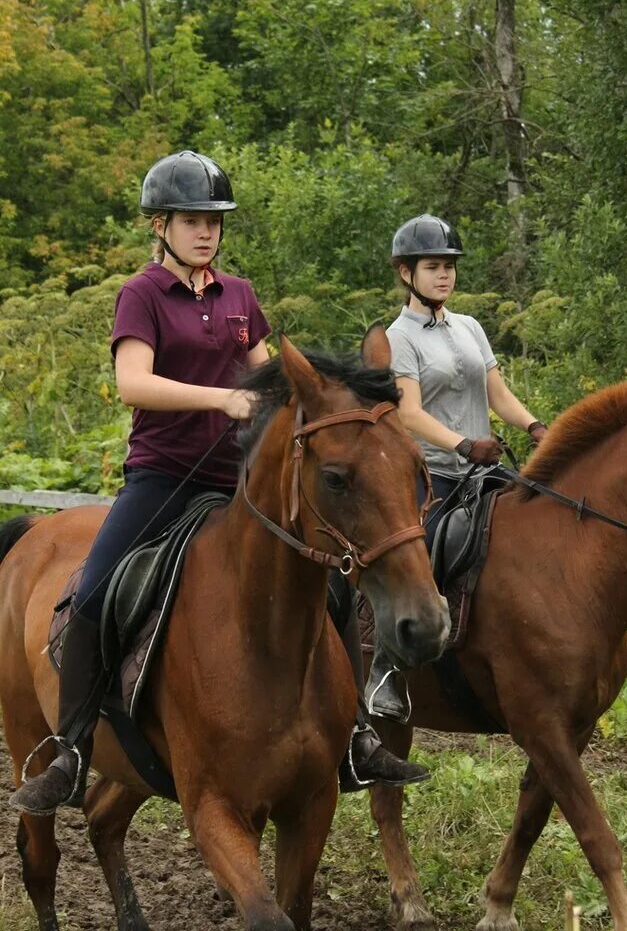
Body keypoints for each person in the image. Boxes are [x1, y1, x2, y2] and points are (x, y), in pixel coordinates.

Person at [10, 151, 424, 816]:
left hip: (236, 483)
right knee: (90, 595)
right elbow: (131, 383)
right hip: (161, 477)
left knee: (337, 588)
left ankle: (355, 736)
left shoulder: (238, 296)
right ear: (160, 224)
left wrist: (329, 404)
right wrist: (220, 399)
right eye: (192, 221)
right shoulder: (141, 294)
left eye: (214, 221)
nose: (206, 232)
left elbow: (270, 377)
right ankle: (74, 748)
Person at [366, 213, 548, 722]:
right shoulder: (399, 337)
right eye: (432, 267)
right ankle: (386, 669)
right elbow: (409, 412)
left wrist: (536, 427)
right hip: (432, 475)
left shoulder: (469, 326)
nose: (444, 275)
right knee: (422, 552)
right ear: (406, 273)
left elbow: (498, 393)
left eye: (449, 266)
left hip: (483, 470)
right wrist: (464, 445)